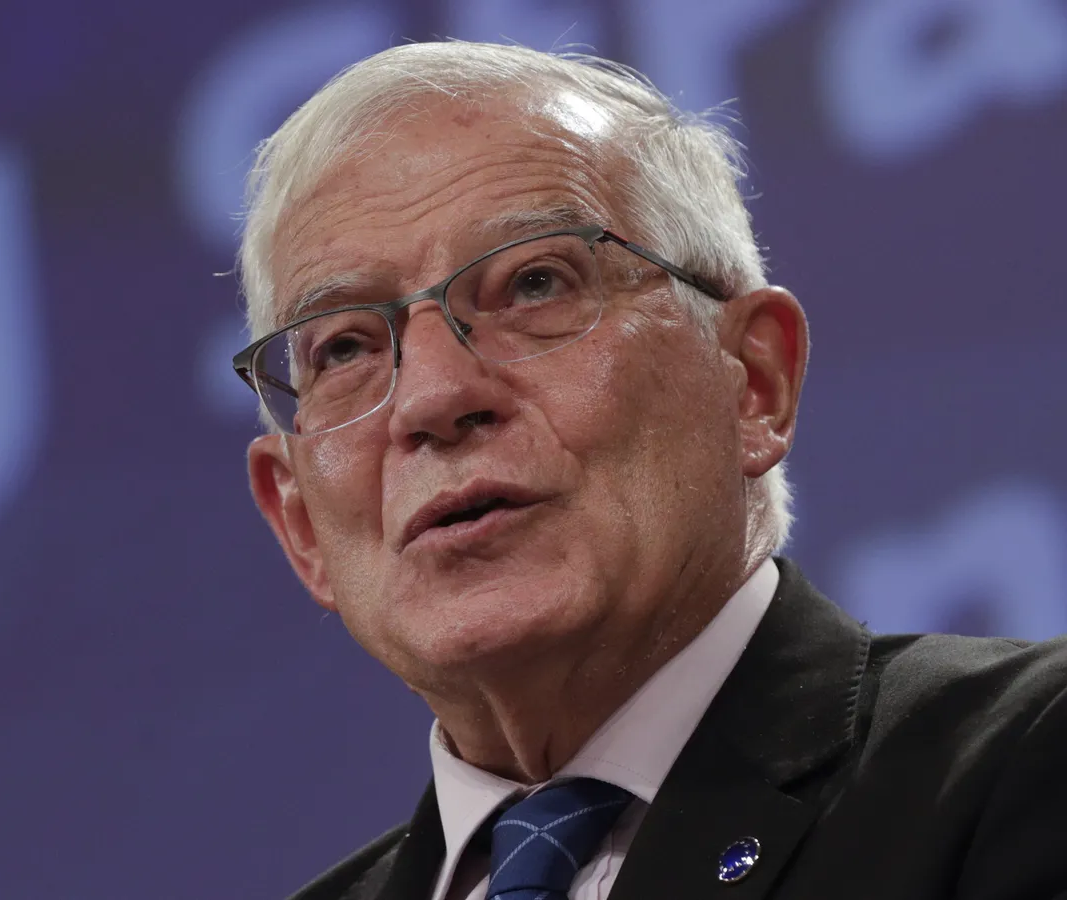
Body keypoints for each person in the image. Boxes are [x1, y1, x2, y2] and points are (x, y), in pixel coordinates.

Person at [227, 41, 1067, 900]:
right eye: (344, 349)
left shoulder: (1027, 765)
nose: (434, 397)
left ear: (753, 382)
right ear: (299, 524)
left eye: (535, 284)